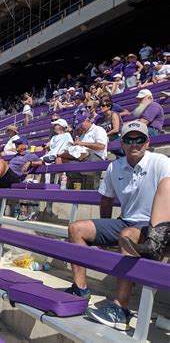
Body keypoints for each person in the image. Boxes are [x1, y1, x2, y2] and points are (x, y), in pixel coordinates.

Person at [66, 121, 170, 330]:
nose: (134, 143)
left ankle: (120, 309)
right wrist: (105, 228)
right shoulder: (115, 166)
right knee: (76, 228)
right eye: (129, 139)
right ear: (122, 143)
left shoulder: (160, 161)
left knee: (127, 235)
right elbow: (106, 199)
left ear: (147, 141)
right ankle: (80, 289)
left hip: (153, 224)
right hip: (126, 220)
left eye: (139, 139)